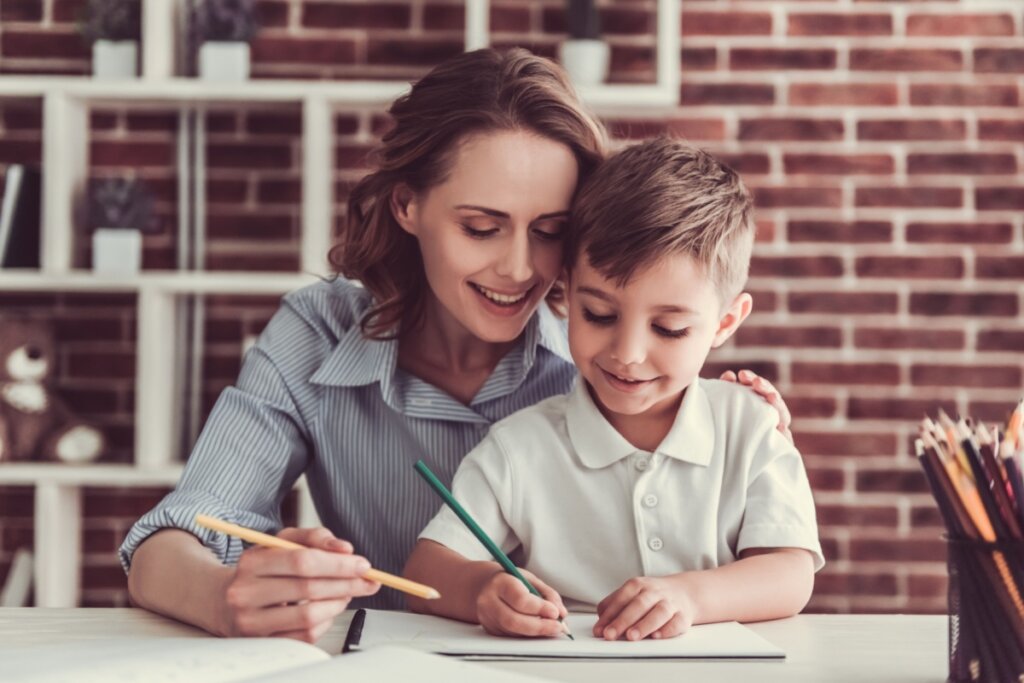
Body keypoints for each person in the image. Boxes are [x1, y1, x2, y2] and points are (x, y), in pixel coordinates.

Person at [120, 49, 793, 644]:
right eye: (481, 227)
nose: (519, 269)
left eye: (550, 230)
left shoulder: (607, 350)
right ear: (407, 205)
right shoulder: (318, 333)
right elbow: (173, 537)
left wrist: (723, 411)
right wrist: (221, 596)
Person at [403, 138, 824, 642]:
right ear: (566, 289)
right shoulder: (521, 446)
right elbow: (424, 570)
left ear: (725, 322)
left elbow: (791, 574)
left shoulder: (751, 426)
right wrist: (483, 590)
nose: (627, 353)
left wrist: (691, 596)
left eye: (668, 328)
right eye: (599, 315)